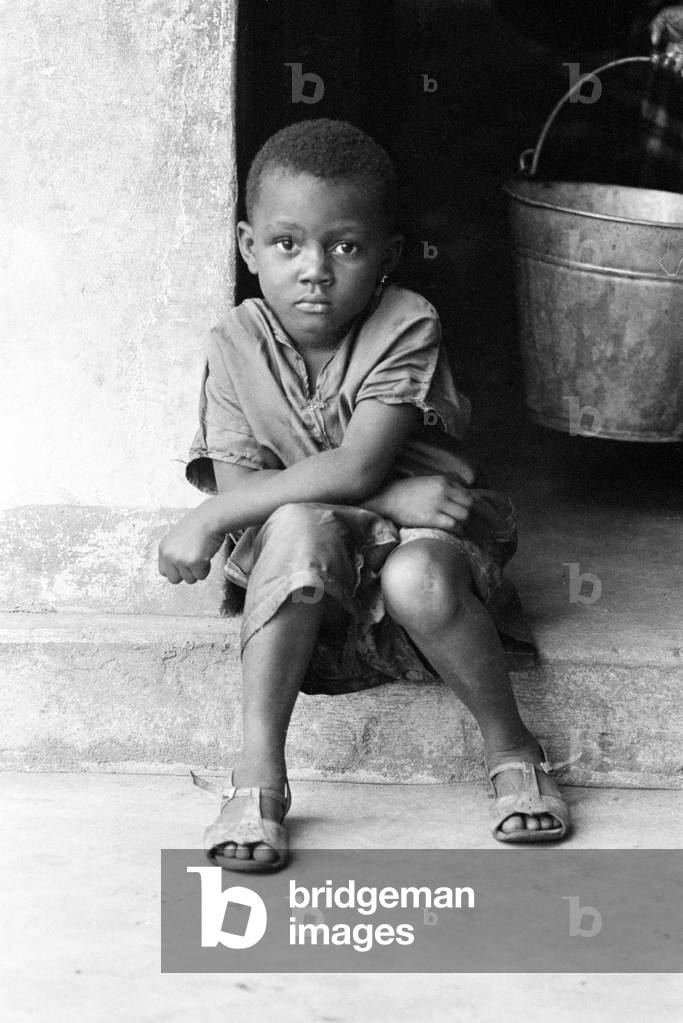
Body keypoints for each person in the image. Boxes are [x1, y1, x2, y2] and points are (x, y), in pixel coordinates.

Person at [158, 118, 570, 872]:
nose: (314, 268)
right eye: (287, 244)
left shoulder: (405, 321)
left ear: (386, 257)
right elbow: (259, 497)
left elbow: (350, 468)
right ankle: (257, 780)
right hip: (309, 557)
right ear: (249, 248)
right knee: (293, 532)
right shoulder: (232, 343)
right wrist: (393, 496)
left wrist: (210, 513)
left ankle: (513, 750)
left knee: (412, 575)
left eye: (343, 246)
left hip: (425, 548)